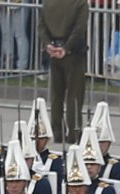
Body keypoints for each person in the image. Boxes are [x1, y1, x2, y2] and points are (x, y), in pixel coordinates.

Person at [37, 0, 88, 144]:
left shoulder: (49, 2)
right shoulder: (80, 3)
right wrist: (66, 48)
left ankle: (57, 131)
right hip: (73, 53)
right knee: (74, 94)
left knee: (56, 94)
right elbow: (79, 29)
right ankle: (74, 131)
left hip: (54, 50)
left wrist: (48, 45)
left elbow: (41, 25)